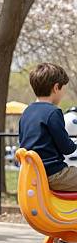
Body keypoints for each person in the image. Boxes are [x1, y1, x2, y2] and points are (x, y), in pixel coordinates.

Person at [19, 63, 76, 191]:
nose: (63, 94)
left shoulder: (27, 112)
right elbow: (67, 148)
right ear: (56, 88)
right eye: (63, 89)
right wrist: (74, 144)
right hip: (54, 175)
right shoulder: (53, 112)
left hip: (32, 173)